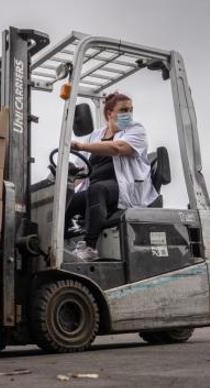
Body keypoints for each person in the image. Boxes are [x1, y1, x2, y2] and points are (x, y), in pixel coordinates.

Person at [67, 91, 159, 261]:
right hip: (99, 189)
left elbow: (117, 148)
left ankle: (90, 247)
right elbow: (81, 168)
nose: (129, 114)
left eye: (131, 110)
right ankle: (63, 244)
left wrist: (82, 146)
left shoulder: (136, 130)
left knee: (97, 189)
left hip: (125, 188)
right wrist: (66, 174)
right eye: (124, 110)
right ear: (110, 113)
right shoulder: (96, 135)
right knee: (70, 200)